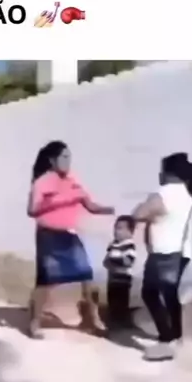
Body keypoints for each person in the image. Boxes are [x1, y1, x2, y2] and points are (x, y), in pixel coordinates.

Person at [27, 141, 114, 339]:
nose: (68, 161)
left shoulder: (73, 179)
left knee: (87, 276)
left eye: (69, 157)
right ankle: (34, 323)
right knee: (46, 282)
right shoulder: (42, 182)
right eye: (64, 157)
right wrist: (59, 200)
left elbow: (89, 204)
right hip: (48, 236)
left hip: (70, 235)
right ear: (52, 160)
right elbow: (32, 210)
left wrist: (110, 210)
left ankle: (94, 320)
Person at [132, 152, 192, 361]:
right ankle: (175, 336)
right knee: (168, 294)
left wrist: (145, 204)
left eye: (161, 171)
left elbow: (138, 214)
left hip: (164, 253)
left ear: (168, 173)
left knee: (151, 293)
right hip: (181, 252)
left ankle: (168, 338)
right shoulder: (187, 193)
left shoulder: (165, 193)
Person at [103, 215, 137, 328]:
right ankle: (113, 322)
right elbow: (106, 261)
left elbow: (129, 261)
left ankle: (123, 323)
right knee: (112, 300)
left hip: (123, 279)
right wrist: (110, 260)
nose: (116, 231)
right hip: (112, 279)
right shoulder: (114, 245)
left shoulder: (129, 245)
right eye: (116, 228)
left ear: (130, 231)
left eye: (120, 228)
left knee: (121, 301)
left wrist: (113, 261)